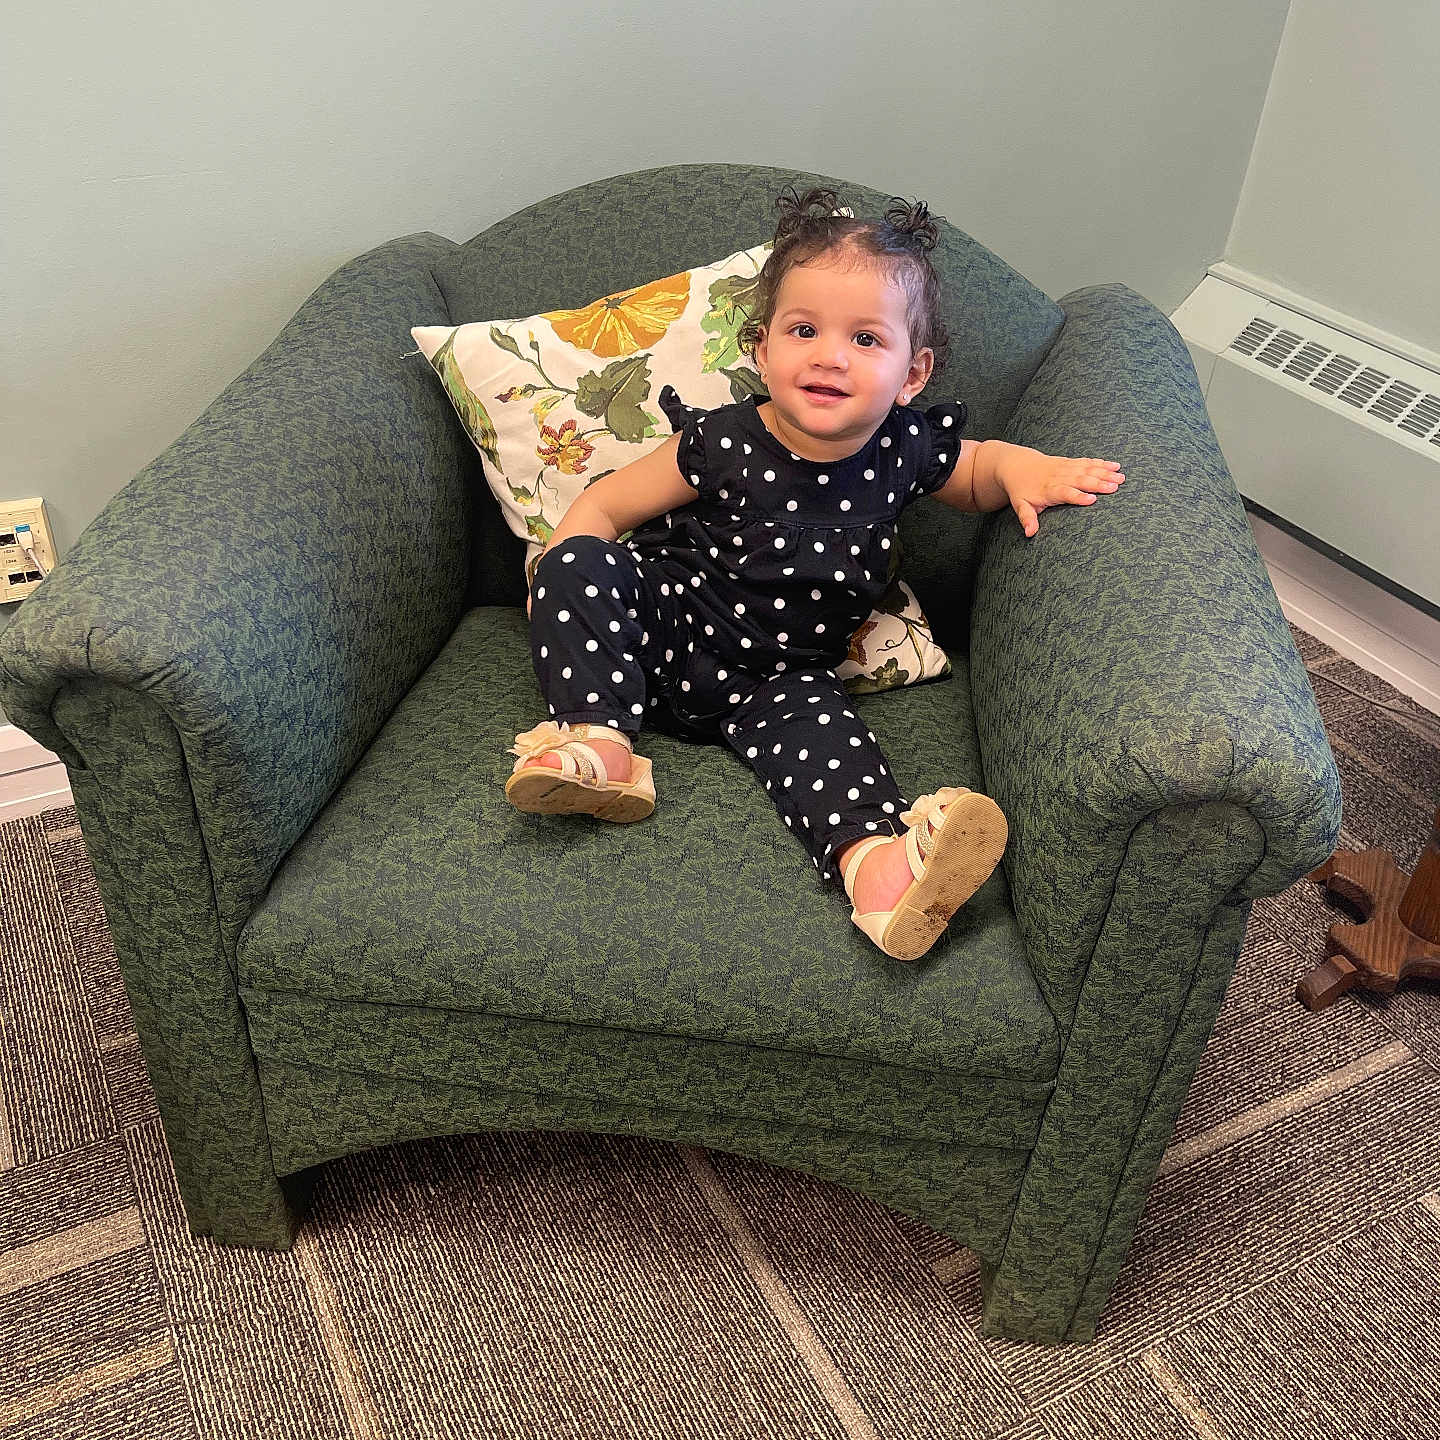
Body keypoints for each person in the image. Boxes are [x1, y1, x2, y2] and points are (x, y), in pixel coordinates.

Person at [504, 187, 1125, 962]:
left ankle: (881, 875)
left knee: (837, 763)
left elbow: (976, 471)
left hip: (783, 677)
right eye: (805, 330)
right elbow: (605, 506)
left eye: (866, 339)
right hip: (670, 629)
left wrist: (1026, 471)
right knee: (577, 560)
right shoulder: (723, 442)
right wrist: (558, 580)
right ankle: (602, 746)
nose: (830, 355)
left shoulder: (903, 447)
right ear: (763, 351)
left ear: (913, 373)